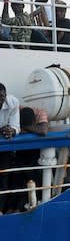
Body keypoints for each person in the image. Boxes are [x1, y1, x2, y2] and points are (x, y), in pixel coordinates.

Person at [0, 83, 19, 215]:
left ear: (5, 96)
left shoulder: (12, 102)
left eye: (1, 97)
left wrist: (11, 130)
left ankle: (0, 210)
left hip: (3, 147)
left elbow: (16, 125)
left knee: (3, 178)